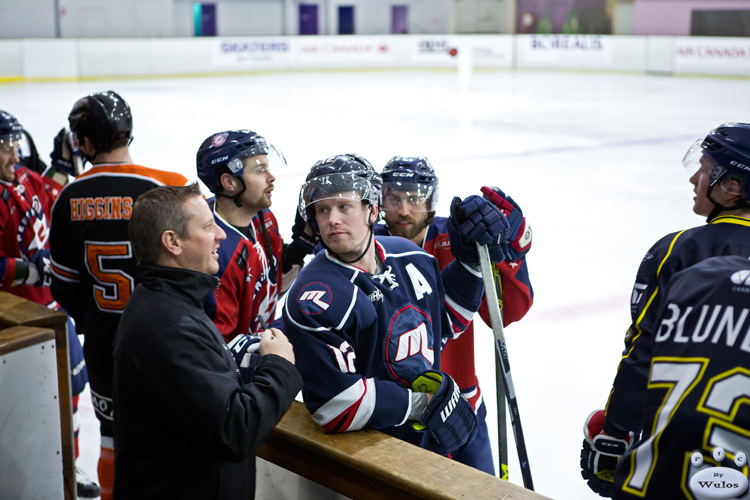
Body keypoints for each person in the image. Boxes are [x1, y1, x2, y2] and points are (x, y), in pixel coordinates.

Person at [283, 153, 509, 458]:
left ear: (371, 210)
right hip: (371, 455)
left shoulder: (408, 255)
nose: (332, 219)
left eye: (344, 207)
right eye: (323, 210)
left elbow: (445, 322)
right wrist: (421, 404)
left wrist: (469, 262)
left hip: (427, 442)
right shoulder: (316, 294)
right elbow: (335, 405)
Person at [580, 122, 750, 498]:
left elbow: (642, 353)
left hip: (673, 461)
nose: (694, 178)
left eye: (705, 168)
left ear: (731, 187)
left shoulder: (676, 253)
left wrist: (614, 429)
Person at [113, 183, 302, 500]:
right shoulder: (171, 328)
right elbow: (235, 428)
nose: (221, 234)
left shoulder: (168, 302)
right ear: (172, 242)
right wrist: (279, 366)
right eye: (207, 226)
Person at [48, 90, 188, 500]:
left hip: (107, 343)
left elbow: (64, 287)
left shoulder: (69, 196)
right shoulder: (170, 186)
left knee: (111, 438)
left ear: (85, 143)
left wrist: (98, 317)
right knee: (174, 435)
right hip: (170, 341)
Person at [375, 155, 534, 475]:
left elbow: (505, 314)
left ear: (431, 202)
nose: (404, 210)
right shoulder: (366, 246)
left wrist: (511, 251)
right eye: (394, 199)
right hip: (402, 415)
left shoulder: (462, 234)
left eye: (414, 198)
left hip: (465, 407)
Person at [0, 110, 98, 497]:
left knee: (71, 392)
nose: (14, 155)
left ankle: (66, 464)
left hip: (54, 311)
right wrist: (30, 270)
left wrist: (61, 164)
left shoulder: (24, 177)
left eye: (13, 145)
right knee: (25, 402)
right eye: (4, 147)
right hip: (15, 323)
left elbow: (54, 195)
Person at [195, 130, 316, 341]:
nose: (272, 177)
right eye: (260, 171)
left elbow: (269, 283)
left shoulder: (264, 218)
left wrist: (302, 245)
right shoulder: (212, 250)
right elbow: (219, 345)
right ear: (229, 182)